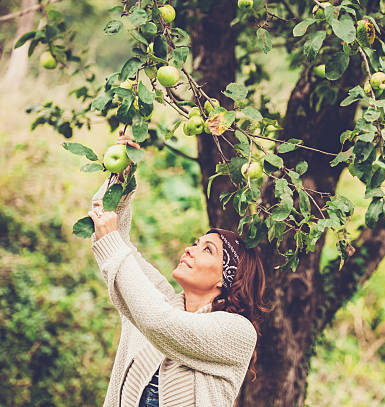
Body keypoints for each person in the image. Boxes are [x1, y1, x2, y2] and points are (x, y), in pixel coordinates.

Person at [87, 133, 269, 407]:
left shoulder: (237, 333)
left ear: (227, 277)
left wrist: (112, 239)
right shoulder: (156, 299)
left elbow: (160, 323)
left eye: (207, 249)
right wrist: (121, 178)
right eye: (195, 243)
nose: (190, 249)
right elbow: (113, 243)